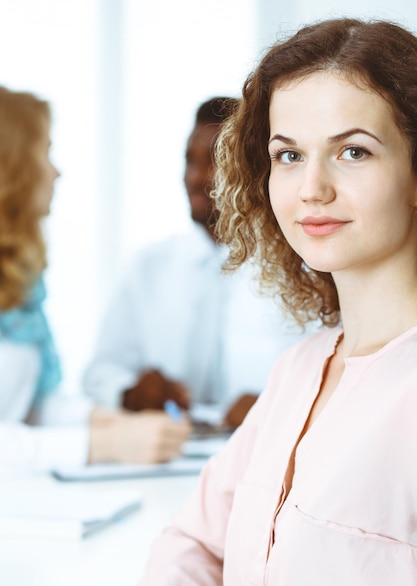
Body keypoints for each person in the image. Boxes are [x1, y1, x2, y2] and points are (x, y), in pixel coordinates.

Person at [137, 17, 417, 586]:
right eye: (289, 155)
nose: (311, 187)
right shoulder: (301, 369)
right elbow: (192, 544)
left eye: (353, 151)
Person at [83, 97, 308, 430]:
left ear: (254, 169)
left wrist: (277, 405)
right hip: (164, 460)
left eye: (214, 160)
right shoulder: (149, 267)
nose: (194, 176)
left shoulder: (300, 268)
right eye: (190, 160)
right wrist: (129, 392)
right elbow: (100, 373)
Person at [0, 85, 190, 473]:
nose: (56, 171)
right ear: (11, 165)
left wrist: (102, 420)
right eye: (45, 151)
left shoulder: (22, 290)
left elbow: (32, 405)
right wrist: (101, 444)